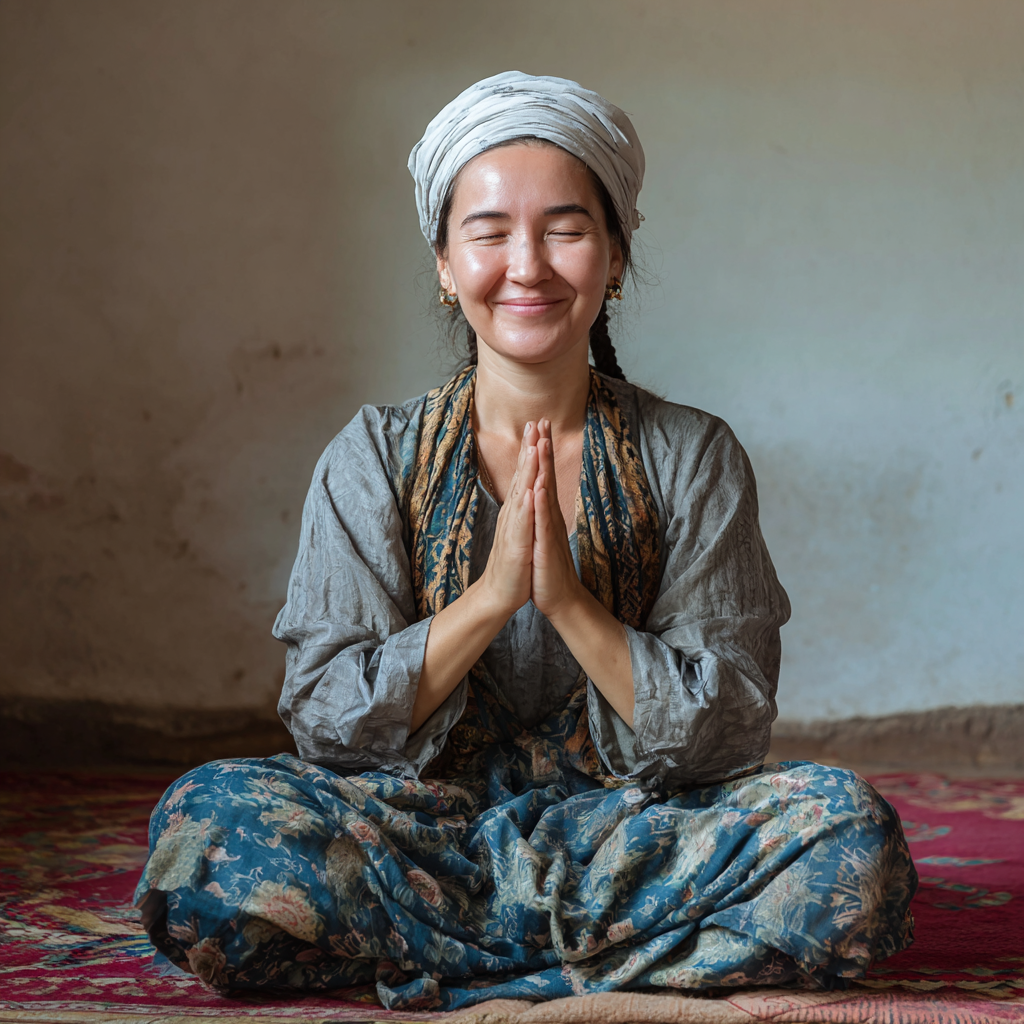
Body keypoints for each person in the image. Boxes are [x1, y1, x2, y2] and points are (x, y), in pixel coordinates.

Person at [135, 72, 916, 1012]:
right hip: (423, 829)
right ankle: (616, 957)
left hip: (633, 827)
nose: (528, 265)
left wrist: (570, 605)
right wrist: (490, 597)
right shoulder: (373, 454)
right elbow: (325, 719)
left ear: (616, 255)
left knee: (846, 836)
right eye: (490, 230)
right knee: (206, 836)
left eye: (566, 228)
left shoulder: (692, 453)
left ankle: (437, 954)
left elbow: (730, 725)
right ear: (442, 261)